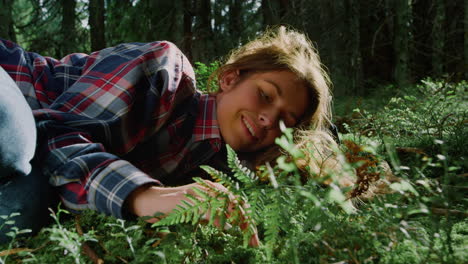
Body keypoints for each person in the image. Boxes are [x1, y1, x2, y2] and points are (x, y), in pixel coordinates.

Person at [0, 26, 334, 245]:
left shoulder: (224, 171)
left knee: (26, 204)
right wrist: (147, 198)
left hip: (20, 171)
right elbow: (55, 135)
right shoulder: (164, 73)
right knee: (21, 151)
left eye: (285, 122)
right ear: (230, 78)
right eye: (264, 95)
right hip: (13, 88)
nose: (267, 119)